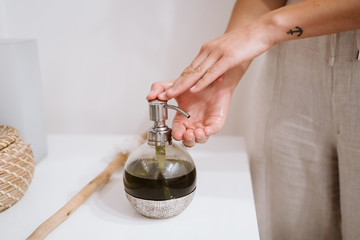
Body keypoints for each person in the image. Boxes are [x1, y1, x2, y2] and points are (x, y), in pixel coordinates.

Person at [147, 0, 360, 239]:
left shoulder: (269, 28)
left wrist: (266, 29)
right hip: (290, 71)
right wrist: (222, 75)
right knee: (286, 228)